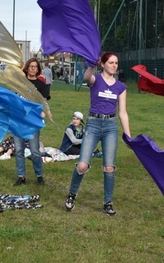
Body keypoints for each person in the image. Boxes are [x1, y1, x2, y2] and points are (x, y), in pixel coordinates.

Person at [65, 52, 131, 216]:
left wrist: (128, 135)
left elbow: (123, 113)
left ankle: (107, 203)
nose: (114, 65)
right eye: (110, 62)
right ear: (103, 64)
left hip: (110, 126)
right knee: (82, 165)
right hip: (93, 125)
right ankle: (72, 194)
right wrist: (91, 65)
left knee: (109, 167)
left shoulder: (120, 87)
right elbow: (87, 77)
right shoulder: (96, 80)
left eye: (116, 63)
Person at [14, 57, 49, 186]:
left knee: (35, 150)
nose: (33, 68)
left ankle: (39, 176)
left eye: (35, 66)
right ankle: (21, 176)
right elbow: (14, 98)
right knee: (18, 150)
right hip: (19, 120)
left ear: (38, 69)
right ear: (27, 68)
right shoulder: (20, 83)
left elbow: (44, 102)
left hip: (33, 121)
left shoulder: (41, 84)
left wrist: (43, 113)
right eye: (31, 66)